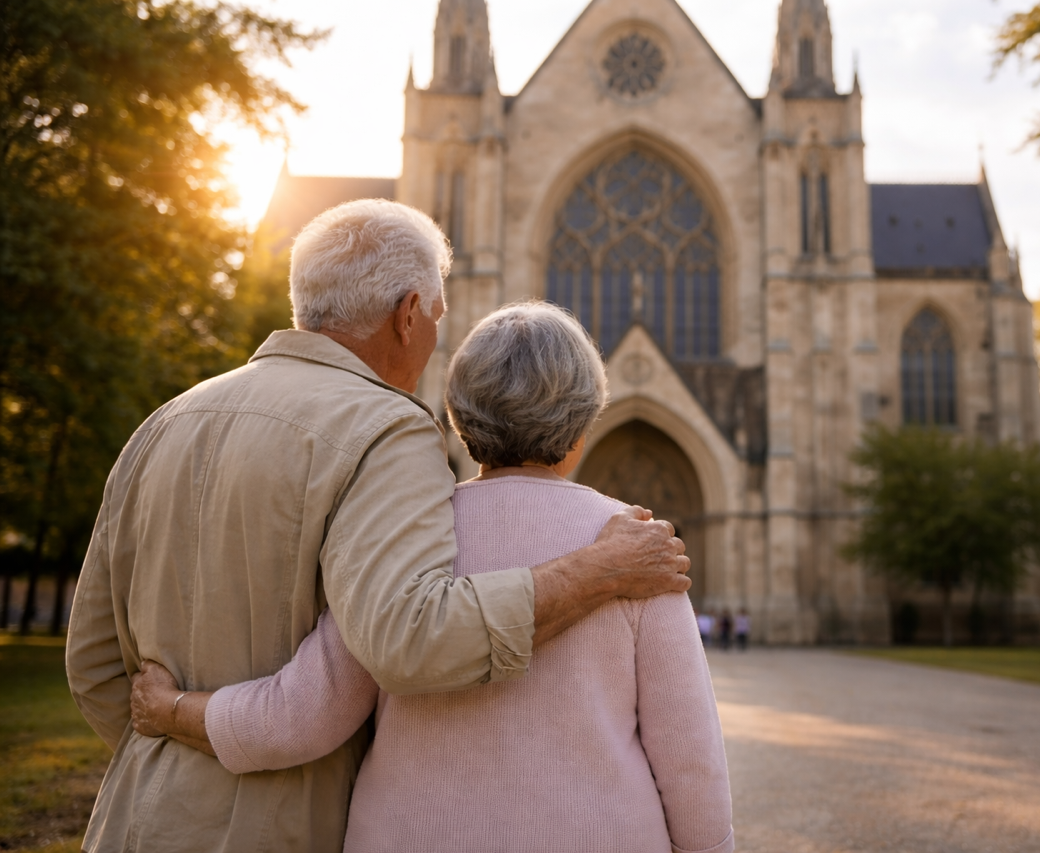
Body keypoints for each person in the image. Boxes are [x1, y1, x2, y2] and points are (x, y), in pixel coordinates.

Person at [65, 201, 690, 853]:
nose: (435, 341)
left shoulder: (163, 422)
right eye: (438, 318)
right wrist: (599, 569)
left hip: (133, 819)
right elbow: (409, 637)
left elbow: (93, 662)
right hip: (279, 827)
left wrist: (177, 758)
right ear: (409, 314)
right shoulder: (385, 429)